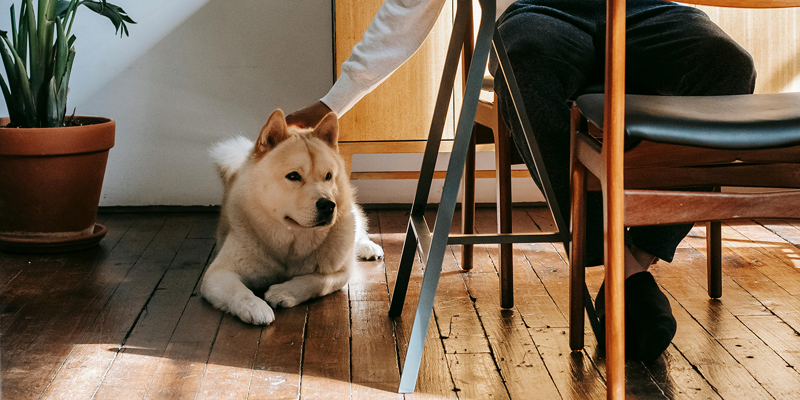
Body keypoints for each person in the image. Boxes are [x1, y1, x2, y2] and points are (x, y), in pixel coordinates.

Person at [286, 0, 756, 361]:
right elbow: (407, 8)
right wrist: (335, 101)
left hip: (642, 9)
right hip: (540, 13)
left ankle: (633, 261)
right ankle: (604, 249)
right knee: (525, 61)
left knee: (729, 66)